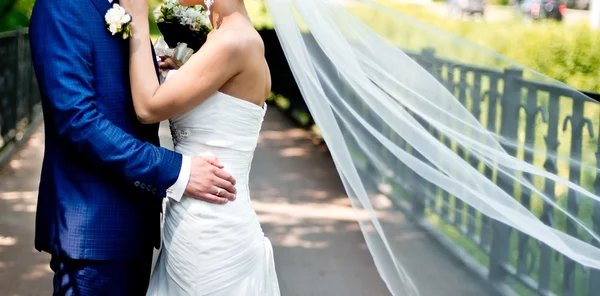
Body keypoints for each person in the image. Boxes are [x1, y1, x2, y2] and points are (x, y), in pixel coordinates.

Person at [28, 0, 240, 294]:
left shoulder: (122, 4)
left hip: (136, 224)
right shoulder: (61, 6)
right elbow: (76, 120)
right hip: (94, 234)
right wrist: (178, 171)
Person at [119, 0, 280, 294]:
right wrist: (180, 70)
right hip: (205, 217)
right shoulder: (232, 36)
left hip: (209, 230)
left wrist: (138, 20)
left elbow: (147, 107)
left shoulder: (233, 40)